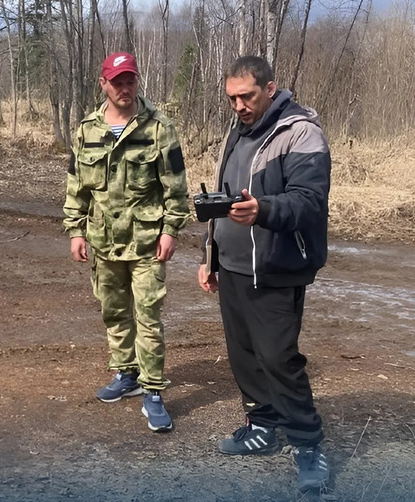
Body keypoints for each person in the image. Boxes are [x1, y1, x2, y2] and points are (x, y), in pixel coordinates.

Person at [198, 56, 331, 489]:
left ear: (270, 89)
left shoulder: (300, 133)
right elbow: (224, 196)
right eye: (232, 98)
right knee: (244, 356)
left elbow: (310, 200)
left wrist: (264, 210)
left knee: (278, 358)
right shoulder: (237, 132)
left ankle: (309, 446)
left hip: (275, 267)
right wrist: (210, 256)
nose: (238, 105)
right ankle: (261, 426)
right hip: (233, 267)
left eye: (247, 96)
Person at [64, 51, 190, 432]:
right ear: (103, 83)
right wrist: (75, 230)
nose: (124, 88)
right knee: (114, 312)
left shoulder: (158, 128)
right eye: (116, 81)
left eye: (129, 80)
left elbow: (176, 188)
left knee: (148, 316)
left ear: (137, 81)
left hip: (147, 242)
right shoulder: (87, 129)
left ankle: (153, 391)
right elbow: (76, 186)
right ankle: (126, 374)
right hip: (102, 241)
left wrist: (171, 230)